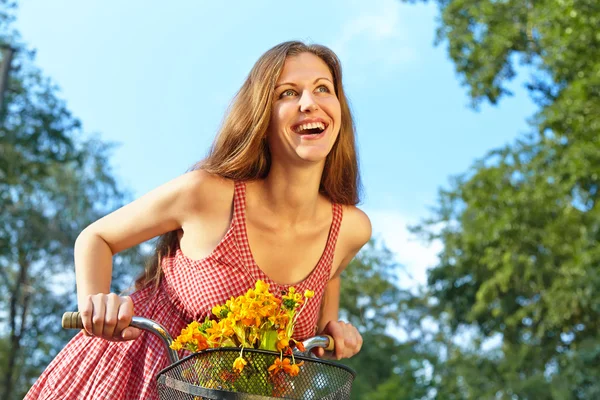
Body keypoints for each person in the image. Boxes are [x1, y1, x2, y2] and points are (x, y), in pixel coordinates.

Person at [25, 40, 371, 400]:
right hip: (134, 376)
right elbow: (97, 237)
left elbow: (325, 289)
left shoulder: (350, 229)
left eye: (322, 89)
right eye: (287, 93)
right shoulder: (206, 193)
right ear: (262, 118)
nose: (308, 102)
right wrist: (97, 305)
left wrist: (331, 337)